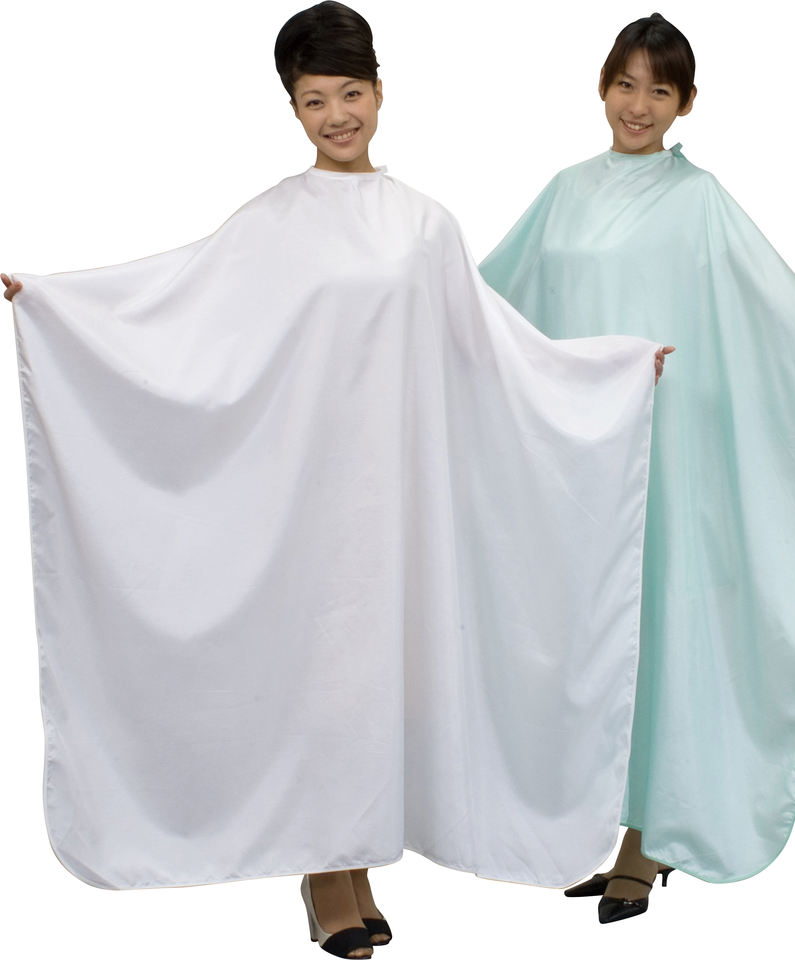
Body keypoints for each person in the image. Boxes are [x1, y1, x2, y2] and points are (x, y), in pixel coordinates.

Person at [3, 4, 671, 957]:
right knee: (320, 675)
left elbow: (488, 346)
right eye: (314, 100)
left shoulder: (423, 225)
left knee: (379, 681)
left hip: (396, 495)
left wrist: (609, 371)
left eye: (350, 94)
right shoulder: (272, 221)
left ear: (380, 94)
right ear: (292, 108)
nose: (336, 117)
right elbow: (183, 307)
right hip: (302, 489)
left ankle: (357, 856)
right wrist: (62, 308)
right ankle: (327, 874)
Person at [480, 11, 795, 925]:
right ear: (600, 86)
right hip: (581, 458)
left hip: (669, 452)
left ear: (686, 103)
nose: (637, 105)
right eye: (625, 84)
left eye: (659, 90)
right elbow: (493, 301)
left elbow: (777, 307)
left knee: (656, 632)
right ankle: (587, 821)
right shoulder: (563, 193)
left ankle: (647, 840)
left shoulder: (699, 202)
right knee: (584, 632)